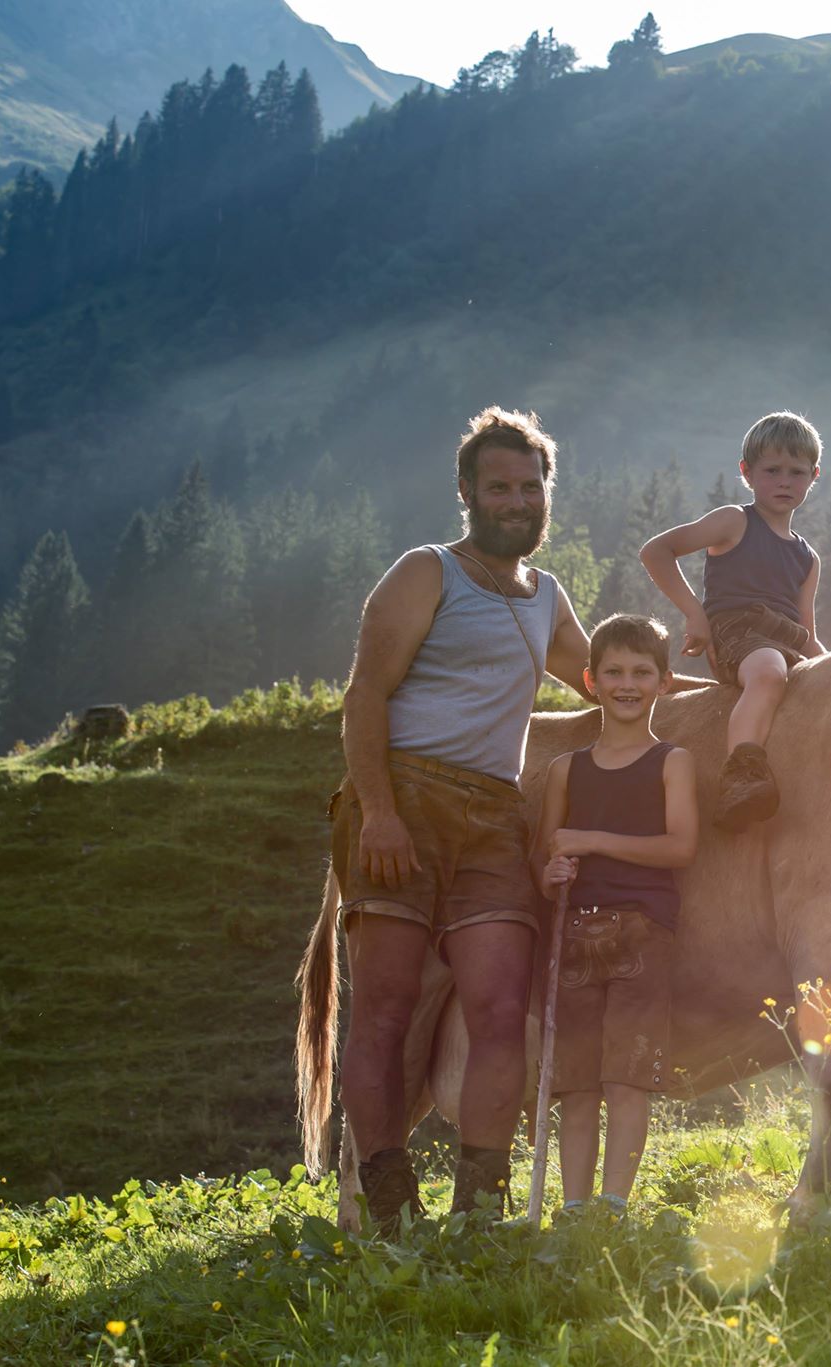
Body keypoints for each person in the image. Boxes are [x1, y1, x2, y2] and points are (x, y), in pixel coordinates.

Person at [332, 407, 595, 1230]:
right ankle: (386, 1205)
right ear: (468, 493)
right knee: (384, 1005)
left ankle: (480, 1207)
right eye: (499, 486)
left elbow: (609, 680)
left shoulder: (546, 596)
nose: (516, 500)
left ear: (547, 492)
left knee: (499, 1004)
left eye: (529, 486)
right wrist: (377, 810)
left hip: (492, 811)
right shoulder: (427, 572)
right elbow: (363, 695)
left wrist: (729, 684)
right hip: (402, 800)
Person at [535, 614, 697, 1213]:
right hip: (572, 935)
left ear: (664, 682)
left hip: (642, 932)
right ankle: (574, 1211)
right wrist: (550, 875)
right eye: (613, 672)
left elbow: (681, 848)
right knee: (576, 1085)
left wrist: (592, 840)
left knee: (626, 1078)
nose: (626, 683)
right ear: (591, 680)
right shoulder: (564, 771)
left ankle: (612, 1209)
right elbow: (546, 858)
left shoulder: (671, 762)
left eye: (641, 672)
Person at [640, 412, 825, 831]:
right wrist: (695, 615)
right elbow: (656, 551)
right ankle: (741, 773)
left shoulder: (808, 558)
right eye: (772, 470)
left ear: (814, 476)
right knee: (769, 672)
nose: (784, 481)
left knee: (828, 682)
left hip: (786, 641)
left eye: (796, 473)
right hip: (736, 632)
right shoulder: (734, 521)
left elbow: (807, 635)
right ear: (747, 472)